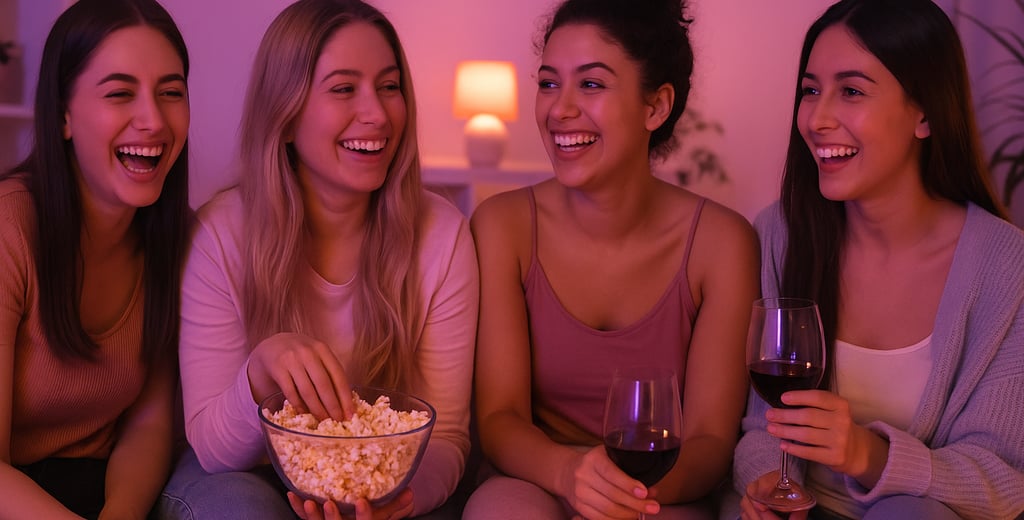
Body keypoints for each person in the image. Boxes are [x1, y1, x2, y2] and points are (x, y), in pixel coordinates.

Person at [154, 0, 479, 519]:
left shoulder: (442, 235)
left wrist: (393, 496)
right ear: (284, 117)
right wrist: (259, 372)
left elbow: (448, 437)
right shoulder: (220, 233)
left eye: (390, 86)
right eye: (344, 88)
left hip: (392, 478)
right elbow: (213, 450)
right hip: (242, 473)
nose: (376, 113)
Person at [462, 0, 760, 518]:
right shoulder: (501, 226)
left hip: (663, 489)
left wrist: (623, 497)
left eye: (592, 84)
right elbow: (500, 416)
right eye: (549, 83)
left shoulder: (722, 242)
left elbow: (710, 439)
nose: (560, 109)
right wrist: (568, 475)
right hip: (537, 475)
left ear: (656, 106)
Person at [731, 0, 1024, 519]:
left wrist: (869, 455)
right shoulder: (781, 233)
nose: (818, 119)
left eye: (851, 91)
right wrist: (766, 486)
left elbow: (1003, 483)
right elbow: (761, 424)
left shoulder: (1008, 266)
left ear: (926, 113)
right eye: (810, 90)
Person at [0, 0, 192, 518]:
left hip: (98, 488)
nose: (153, 120)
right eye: (120, 93)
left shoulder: (175, 238)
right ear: (63, 114)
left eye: (171, 93)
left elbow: (149, 424)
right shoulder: (9, 229)